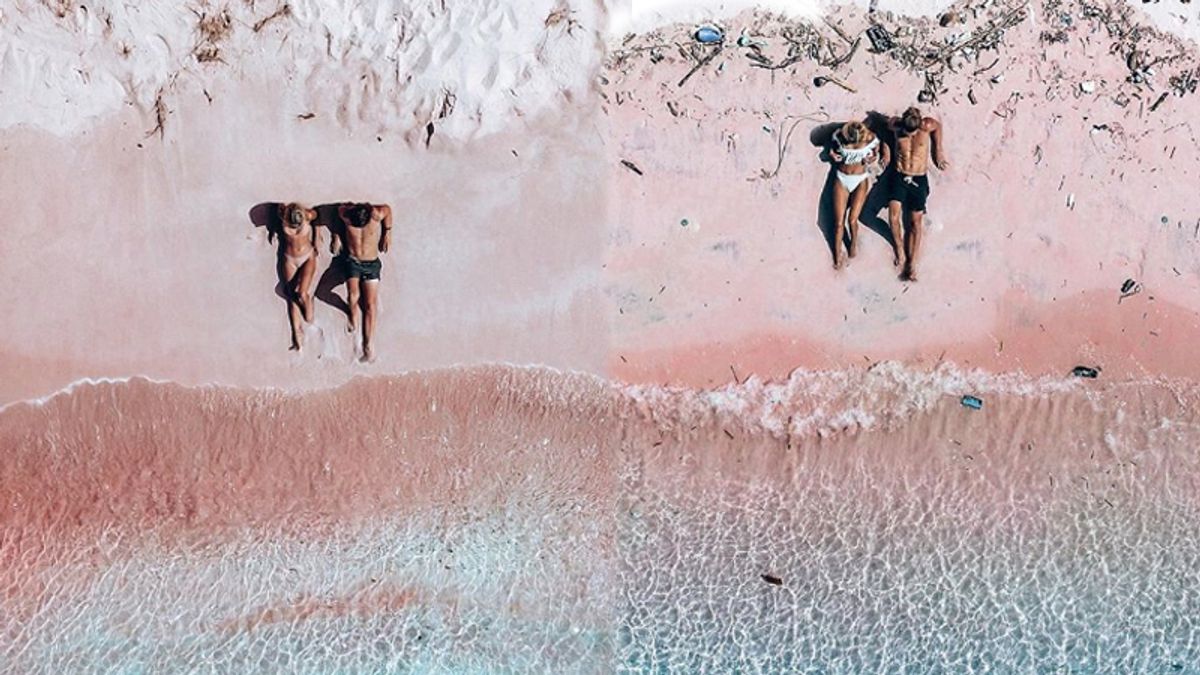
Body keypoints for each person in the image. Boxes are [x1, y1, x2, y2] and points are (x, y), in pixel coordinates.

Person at [885, 106, 949, 281]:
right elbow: (883, 126)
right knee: (893, 217)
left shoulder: (928, 125)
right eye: (906, 132)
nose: (910, 136)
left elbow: (938, 127)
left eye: (912, 133)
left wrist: (939, 151)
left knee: (915, 223)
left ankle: (911, 263)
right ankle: (899, 247)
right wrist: (886, 150)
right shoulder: (896, 125)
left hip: (918, 178)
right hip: (899, 174)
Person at [330, 202, 392, 362]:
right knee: (353, 296)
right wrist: (336, 236)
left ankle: (369, 345)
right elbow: (336, 214)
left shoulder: (377, 214)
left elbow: (388, 210)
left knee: (370, 306)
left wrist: (387, 233)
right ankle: (352, 315)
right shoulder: (345, 213)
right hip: (353, 261)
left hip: (371, 264)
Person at [828, 120, 888, 269]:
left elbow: (876, 150)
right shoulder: (839, 137)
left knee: (852, 220)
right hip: (842, 178)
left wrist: (874, 157)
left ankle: (853, 243)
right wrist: (832, 155)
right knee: (838, 223)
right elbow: (832, 149)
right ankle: (837, 255)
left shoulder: (870, 138)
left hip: (860, 179)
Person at [275, 202, 319, 351]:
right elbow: (277, 207)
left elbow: (317, 215)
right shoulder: (283, 215)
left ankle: (309, 316)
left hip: (307, 257)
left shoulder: (308, 215)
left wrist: (317, 238)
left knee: (301, 292)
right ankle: (296, 333)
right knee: (290, 295)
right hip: (290, 258)